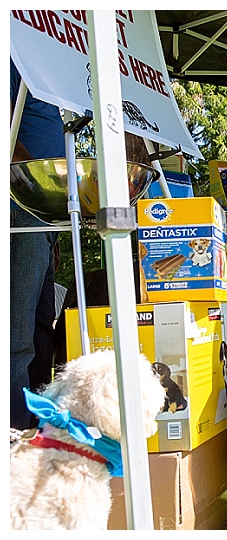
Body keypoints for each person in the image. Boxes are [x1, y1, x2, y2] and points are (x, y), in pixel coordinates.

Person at [10, 59, 66, 430]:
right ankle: (14, 430)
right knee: (17, 334)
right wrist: (31, 181)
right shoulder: (13, 54)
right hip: (21, 207)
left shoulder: (42, 66)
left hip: (43, 218)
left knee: (42, 327)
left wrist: (52, 223)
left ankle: (35, 424)